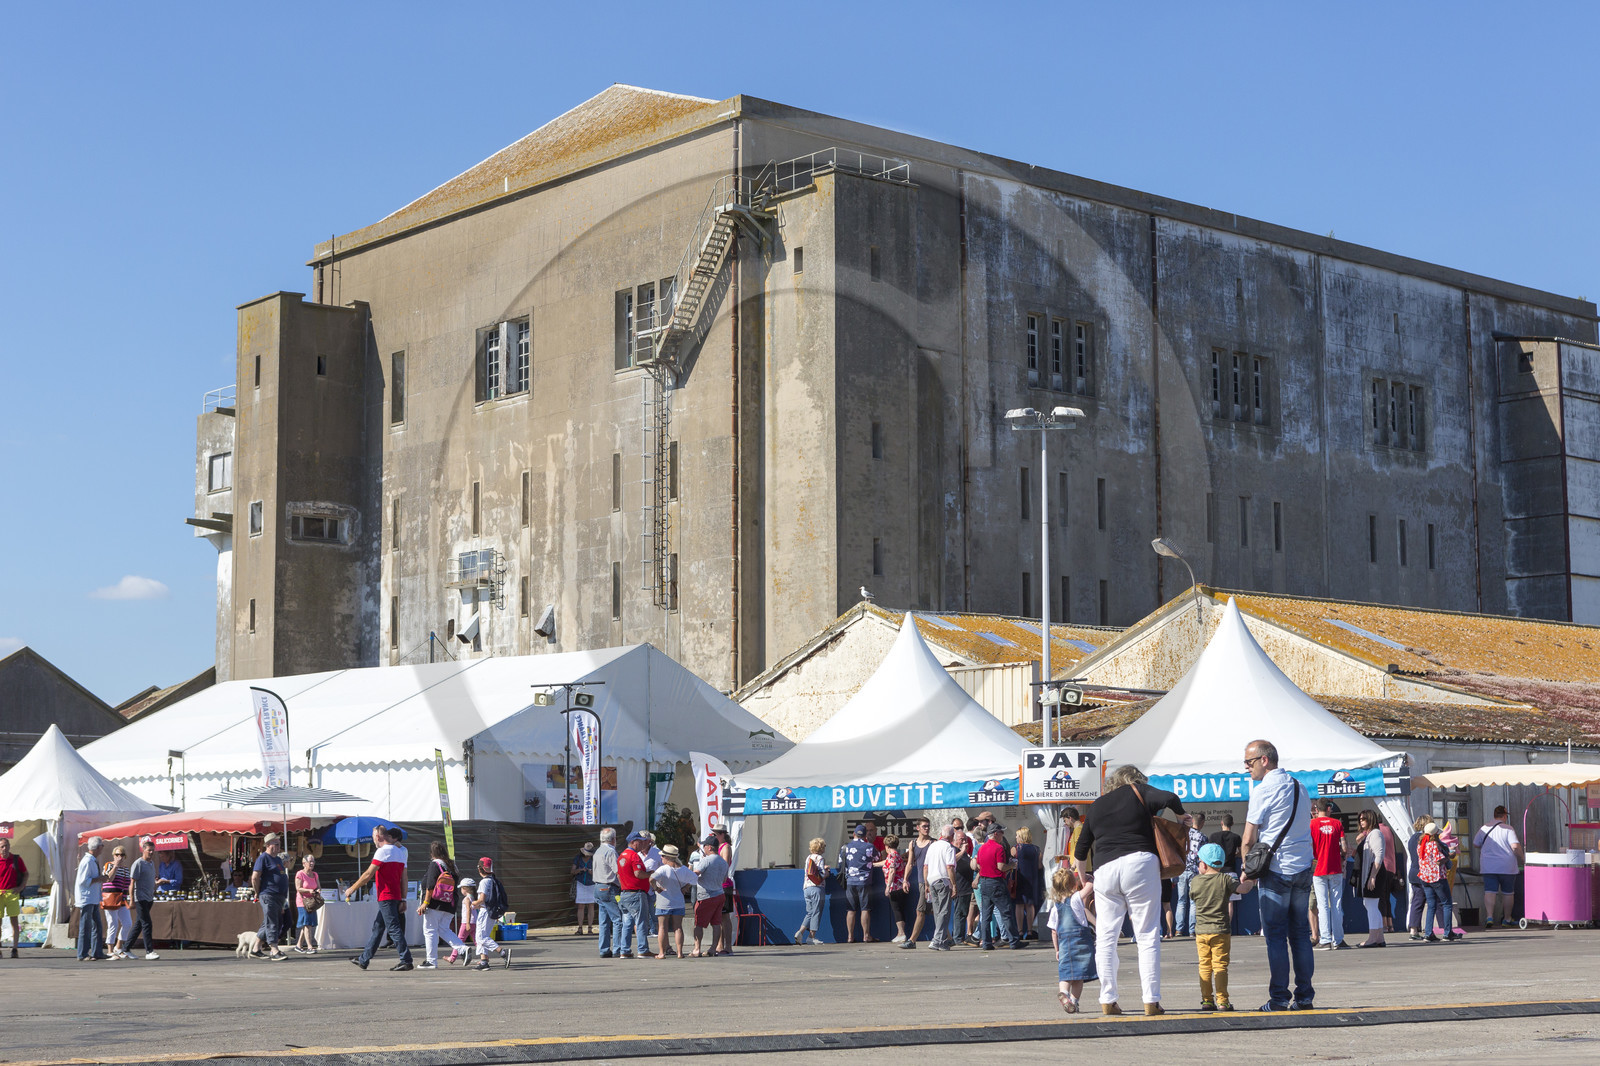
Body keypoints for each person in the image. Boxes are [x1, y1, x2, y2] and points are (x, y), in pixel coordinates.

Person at [1074, 764, 1182, 1015]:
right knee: (1146, 935)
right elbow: (1171, 797)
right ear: (1135, 780)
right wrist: (1180, 817)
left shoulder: (1097, 805)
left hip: (1105, 871)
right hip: (1140, 863)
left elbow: (1081, 851)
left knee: (1106, 937)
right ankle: (1151, 1000)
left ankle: (1108, 999)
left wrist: (1084, 879)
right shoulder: (1139, 791)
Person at [1241, 739, 1314, 1011]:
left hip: (1275, 870)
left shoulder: (1262, 791)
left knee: (1275, 937)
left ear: (1264, 760)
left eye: (1249, 762)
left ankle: (1280, 998)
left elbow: (1248, 838)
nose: (1246, 768)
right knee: (1300, 935)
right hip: (1303, 867)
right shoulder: (1301, 787)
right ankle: (1305, 997)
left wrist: (1246, 872)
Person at [1191, 842, 1256, 1012]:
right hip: (1221, 931)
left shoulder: (1195, 882)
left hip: (1201, 932)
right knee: (1220, 965)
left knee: (1204, 965)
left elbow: (1192, 896)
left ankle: (1206, 1000)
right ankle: (1222, 1001)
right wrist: (1250, 881)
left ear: (1204, 864)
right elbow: (1242, 889)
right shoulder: (1226, 880)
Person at [344, 826, 412, 971]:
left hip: (386, 896)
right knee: (378, 927)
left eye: (373, 836)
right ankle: (364, 959)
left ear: (378, 836)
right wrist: (403, 898)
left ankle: (406, 959)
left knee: (393, 928)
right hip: (395, 896)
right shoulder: (400, 852)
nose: (373, 839)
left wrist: (352, 888)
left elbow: (368, 874)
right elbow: (404, 878)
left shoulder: (382, 852)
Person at [1047, 864, 1097, 1012]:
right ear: (1073, 885)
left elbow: (1054, 932)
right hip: (1081, 943)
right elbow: (1091, 887)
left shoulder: (1055, 907)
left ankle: (1064, 992)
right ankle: (1074, 1001)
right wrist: (1088, 878)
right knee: (1079, 976)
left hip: (1064, 944)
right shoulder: (1075, 898)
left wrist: (1057, 950)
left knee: (1066, 973)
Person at [416, 842, 466, 969]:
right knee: (443, 929)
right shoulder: (452, 865)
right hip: (450, 903)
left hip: (435, 904)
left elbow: (430, 886)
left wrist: (425, 903)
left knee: (430, 930)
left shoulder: (435, 864)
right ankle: (463, 949)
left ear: (432, 853)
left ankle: (431, 961)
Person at [1474, 805, 1522, 929]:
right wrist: (1523, 858)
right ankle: (1506, 919)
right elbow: (1515, 846)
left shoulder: (1484, 828)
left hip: (1488, 866)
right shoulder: (1508, 829)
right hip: (1507, 866)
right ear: (1505, 816)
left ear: (1494, 815)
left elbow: (1475, 843)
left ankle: (1489, 917)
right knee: (1508, 893)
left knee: (1490, 891)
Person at [977, 822, 1023, 950]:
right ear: (996, 834)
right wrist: (1012, 866)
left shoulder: (981, 848)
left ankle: (986, 942)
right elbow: (1001, 867)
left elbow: (978, 865)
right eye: (1001, 832)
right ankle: (1014, 941)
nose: (1003, 834)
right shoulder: (998, 848)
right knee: (1006, 912)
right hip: (996, 882)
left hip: (984, 882)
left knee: (985, 915)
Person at [1309, 800, 1348, 950]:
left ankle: (1325, 939)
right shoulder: (1337, 824)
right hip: (1335, 868)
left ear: (1316, 809)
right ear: (1329, 808)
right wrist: (1341, 856)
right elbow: (1344, 848)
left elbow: (1308, 845)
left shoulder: (1311, 824)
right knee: (1336, 905)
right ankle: (1338, 939)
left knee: (1322, 905)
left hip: (1318, 869)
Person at [1416, 823, 1459, 942]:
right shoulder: (1434, 844)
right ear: (1436, 834)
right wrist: (1450, 856)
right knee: (1446, 903)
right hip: (1437, 877)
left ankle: (1428, 933)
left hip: (1424, 878)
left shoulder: (1420, 844)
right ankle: (1447, 932)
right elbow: (1439, 861)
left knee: (1431, 905)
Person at [249, 834, 289, 961]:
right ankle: (274, 949)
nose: (278, 847)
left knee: (269, 921)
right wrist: (257, 892)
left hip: (279, 896)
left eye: (279, 844)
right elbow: (255, 877)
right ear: (268, 845)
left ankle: (256, 948)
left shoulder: (277, 859)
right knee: (272, 922)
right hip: (268, 894)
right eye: (276, 844)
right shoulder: (263, 858)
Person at [650, 844, 695, 958]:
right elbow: (695, 878)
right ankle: (680, 952)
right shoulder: (683, 869)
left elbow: (651, 878)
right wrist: (686, 887)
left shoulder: (663, 869)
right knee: (678, 927)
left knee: (662, 927)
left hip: (663, 901)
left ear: (668, 857)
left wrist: (656, 888)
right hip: (678, 901)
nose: (661, 858)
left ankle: (662, 952)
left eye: (663, 856)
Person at [1352, 810, 1389, 948]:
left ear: (1370, 819)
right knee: (1370, 905)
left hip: (1374, 872)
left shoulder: (1375, 834)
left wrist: (1372, 876)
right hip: (1371, 871)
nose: (1361, 821)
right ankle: (1379, 937)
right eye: (1360, 819)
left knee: (1371, 905)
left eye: (1364, 819)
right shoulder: (1370, 835)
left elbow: (1379, 856)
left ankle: (1373, 937)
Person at [689, 834, 729, 957]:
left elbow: (695, 873)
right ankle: (713, 948)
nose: (703, 848)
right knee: (716, 923)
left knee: (699, 923)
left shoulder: (706, 860)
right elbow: (724, 880)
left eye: (704, 846)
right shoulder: (723, 862)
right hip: (719, 894)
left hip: (706, 896)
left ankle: (697, 949)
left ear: (710, 847)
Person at [470, 857, 513, 969]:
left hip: (485, 912)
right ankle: (484, 961)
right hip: (490, 911)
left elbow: (482, 899)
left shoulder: (484, 882)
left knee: (481, 937)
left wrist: (474, 903)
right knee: (482, 936)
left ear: (480, 869)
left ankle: (502, 952)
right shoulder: (493, 880)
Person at [837, 824, 876, 944]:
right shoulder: (869, 846)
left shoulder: (845, 847)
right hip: (864, 881)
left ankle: (850, 937)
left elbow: (840, 865)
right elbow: (878, 857)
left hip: (850, 882)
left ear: (853, 834)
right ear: (864, 835)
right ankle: (866, 936)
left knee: (851, 910)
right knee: (865, 909)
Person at [921, 825, 957, 951]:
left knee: (938, 911)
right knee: (944, 911)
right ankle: (937, 940)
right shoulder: (948, 847)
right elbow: (950, 867)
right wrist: (954, 884)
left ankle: (941, 941)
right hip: (943, 880)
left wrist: (926, 884)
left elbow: (925, 866)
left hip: (932, 880)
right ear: (952, 836)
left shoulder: (932, 846)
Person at [617, 831, 652, 959]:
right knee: (641, 922)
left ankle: (624, 950)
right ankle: (643, 949)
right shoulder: (634, 856)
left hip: (625, 893)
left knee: (627, 923)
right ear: (633, 842)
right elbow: (638, 874)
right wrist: (651, 874)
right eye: (640, 841)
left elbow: (619, 875)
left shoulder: (622, 856)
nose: (642, 843)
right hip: (636, 893)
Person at [1208, 813, 1243, 932]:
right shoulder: (1236, 837)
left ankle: (1217, 926)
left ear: (1221, 823)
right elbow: (1241, 852)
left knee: (1216, 902)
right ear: (1232, 824)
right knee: (1229, 903)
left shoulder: (1213, 836)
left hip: (1216, 873)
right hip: (1231, 872)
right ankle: (1227, 927)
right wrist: (1234, 855)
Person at [75, 837, 108, 962]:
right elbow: (83, 881)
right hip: (87, 898)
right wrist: (99, 879)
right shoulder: (87, 861)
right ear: (98, 847)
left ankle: (97, 951)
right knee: (86, 926)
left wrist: (99, 879)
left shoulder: (92, 860)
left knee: (97, 926)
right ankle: (82, 953)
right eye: (102, 846)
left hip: (93, 897)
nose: (102, 848)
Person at [900, 819, 932, 945]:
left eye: (928, 826)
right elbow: (909, 863)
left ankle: (912, 940)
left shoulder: (932, 843)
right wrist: (905, 880)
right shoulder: (913, 843)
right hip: (920, 882)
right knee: (935, 911)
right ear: (918, 828)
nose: (927, 828)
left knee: (920, 911)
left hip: (930, 882)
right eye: (924, 826)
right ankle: (949, 939)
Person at [1172, 815, 1204, 938]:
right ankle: (1192, 930)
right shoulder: (1202, 837)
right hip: (1195, 872)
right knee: (1193, 901)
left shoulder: (1181, 835)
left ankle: (1178, 930)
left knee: (1181, 901)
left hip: (1181, 870)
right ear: (1202, 823)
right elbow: (1203, 857)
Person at [127, 837, 159, 960]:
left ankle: (126, 948)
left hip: (149, 898)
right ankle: (149, 951)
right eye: (149, 850)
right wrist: (131, 900)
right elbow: (132, 883)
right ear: (143, 850)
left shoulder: (151, 864)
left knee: (139, 924)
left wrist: (158, 884)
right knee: (147, 924)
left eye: (153, 850)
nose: (151, 852)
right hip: (140, 898)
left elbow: (150, 881)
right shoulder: (138, 864)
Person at [592, 827, 621, 959]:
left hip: (598, 886)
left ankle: (604, 949)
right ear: (613, 839)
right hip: (609, 887)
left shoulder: (598, 851)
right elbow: (618, 871)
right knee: (617, 919)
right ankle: (617, 948)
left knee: (604, 921)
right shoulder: (610, 852)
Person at [101, 845, 133, 960]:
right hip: (111, 897)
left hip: (122, 898)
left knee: (128, 923)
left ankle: (118, 947)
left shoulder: (126, 869)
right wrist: (115, 866)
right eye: (117, 855)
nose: (119, 857)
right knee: (113, 923)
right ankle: (109, 950)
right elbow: (109, 878)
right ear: (113, 855)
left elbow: (128, 884)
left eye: (122, 855)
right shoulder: (109, 865)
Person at [1012, 825, 1044, 940]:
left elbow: (1012, 863)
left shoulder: (1016, 848)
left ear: (1021, 836)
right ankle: (1030, 931)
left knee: (1019, 905)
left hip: (1020, 879)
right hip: (1033, 880)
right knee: (1030, 905)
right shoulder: (1037, 849)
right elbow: (1040, 866)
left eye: (1017, 835)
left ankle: (1020, 931)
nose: (1015, 837)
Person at [796, 837, 829, 946]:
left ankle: (800, 932)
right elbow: (822, 874)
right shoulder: (820, 858)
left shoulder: (808, 858)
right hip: (817, 888)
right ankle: (811, 937)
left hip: (806, 888)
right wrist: (827, 873)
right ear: (820, 848)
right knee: (816, 912)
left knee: (810, 912)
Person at [878, 833, 910, 943]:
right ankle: (900, 933)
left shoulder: (892, 856)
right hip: (901, 886)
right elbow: (886, 863)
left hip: (895, 887)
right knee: (900, 909)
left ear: (887, 846)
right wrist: (873, 864)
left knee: (896, 910)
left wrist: (888, 887)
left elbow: (892, 871)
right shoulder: (896, 855)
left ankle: (901, 933)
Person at [0, 838, 27, 959]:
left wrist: (21, 887)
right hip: (0, 893)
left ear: (9, 846)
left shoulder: (16, 859)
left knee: (14, 922)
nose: (4, 849)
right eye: (2, 847)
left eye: (6, 846)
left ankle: (15, 948)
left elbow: (26, 873)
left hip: (12, 893)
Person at [951, 825, 975, 945]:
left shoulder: (964, 852)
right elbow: (952, 861)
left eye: (965, 839)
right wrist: (963, 851)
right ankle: (957, 937)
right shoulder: (954, 850)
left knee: (963, 912)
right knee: (959, 913)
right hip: (959, 887)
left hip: (967, 887)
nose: (964, 841)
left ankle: (961, 935)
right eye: (961, 839)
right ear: (955, 840)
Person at [639, 832, 662, 956]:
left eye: (644, 840)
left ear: (649, 841)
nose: (641, 843)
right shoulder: (635, 853)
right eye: (640, 840)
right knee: (641, 918)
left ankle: (663, 946)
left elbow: (665, 869)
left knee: (656, 917)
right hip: (640, 890)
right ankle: (641, 947)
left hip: (655, 890)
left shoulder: (657, 853)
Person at [715, 827, 736, 956]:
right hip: (717, 885)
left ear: (722, 834)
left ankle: (727, 946)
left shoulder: (725, 847)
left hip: (724, 884)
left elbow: (725, 865)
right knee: (718, 916)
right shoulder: (716, 847)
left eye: (715, 834)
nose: (714, 836)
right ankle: (720, 945)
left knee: (725, 916)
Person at [294, 854, 321, 955]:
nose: (312, 863)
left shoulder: (315, 874)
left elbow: (318, 886)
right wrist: (309, 890)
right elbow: (298, 888)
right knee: (307, 924)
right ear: (304, 863)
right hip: (302, 902)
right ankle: (310, 946)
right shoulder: (300, 874)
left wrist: (317, 890)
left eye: (313, 861)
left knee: (308, 924)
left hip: (312, 902)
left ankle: (298, 945)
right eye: (310, 861)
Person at [449, 877, 476, 966]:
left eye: (461, 888)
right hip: (474, 922)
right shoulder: (473, 898)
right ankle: (484, 957)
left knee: (459, 940)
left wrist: (467, 923)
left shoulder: (466, 899)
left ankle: (452, 958)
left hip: (466, 922)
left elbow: (468, 910)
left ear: (465, 889)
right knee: (477, 941)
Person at [571, 841, 596, 936]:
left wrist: (592, 872)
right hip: (580, 883)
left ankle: (590, 928)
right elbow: (572, 871)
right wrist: (580, 870)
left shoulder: (594, 859)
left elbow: (598, 872)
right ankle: (580, 927)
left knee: (591, 905)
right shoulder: (578, 858)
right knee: (581, 906)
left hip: (591, 883)